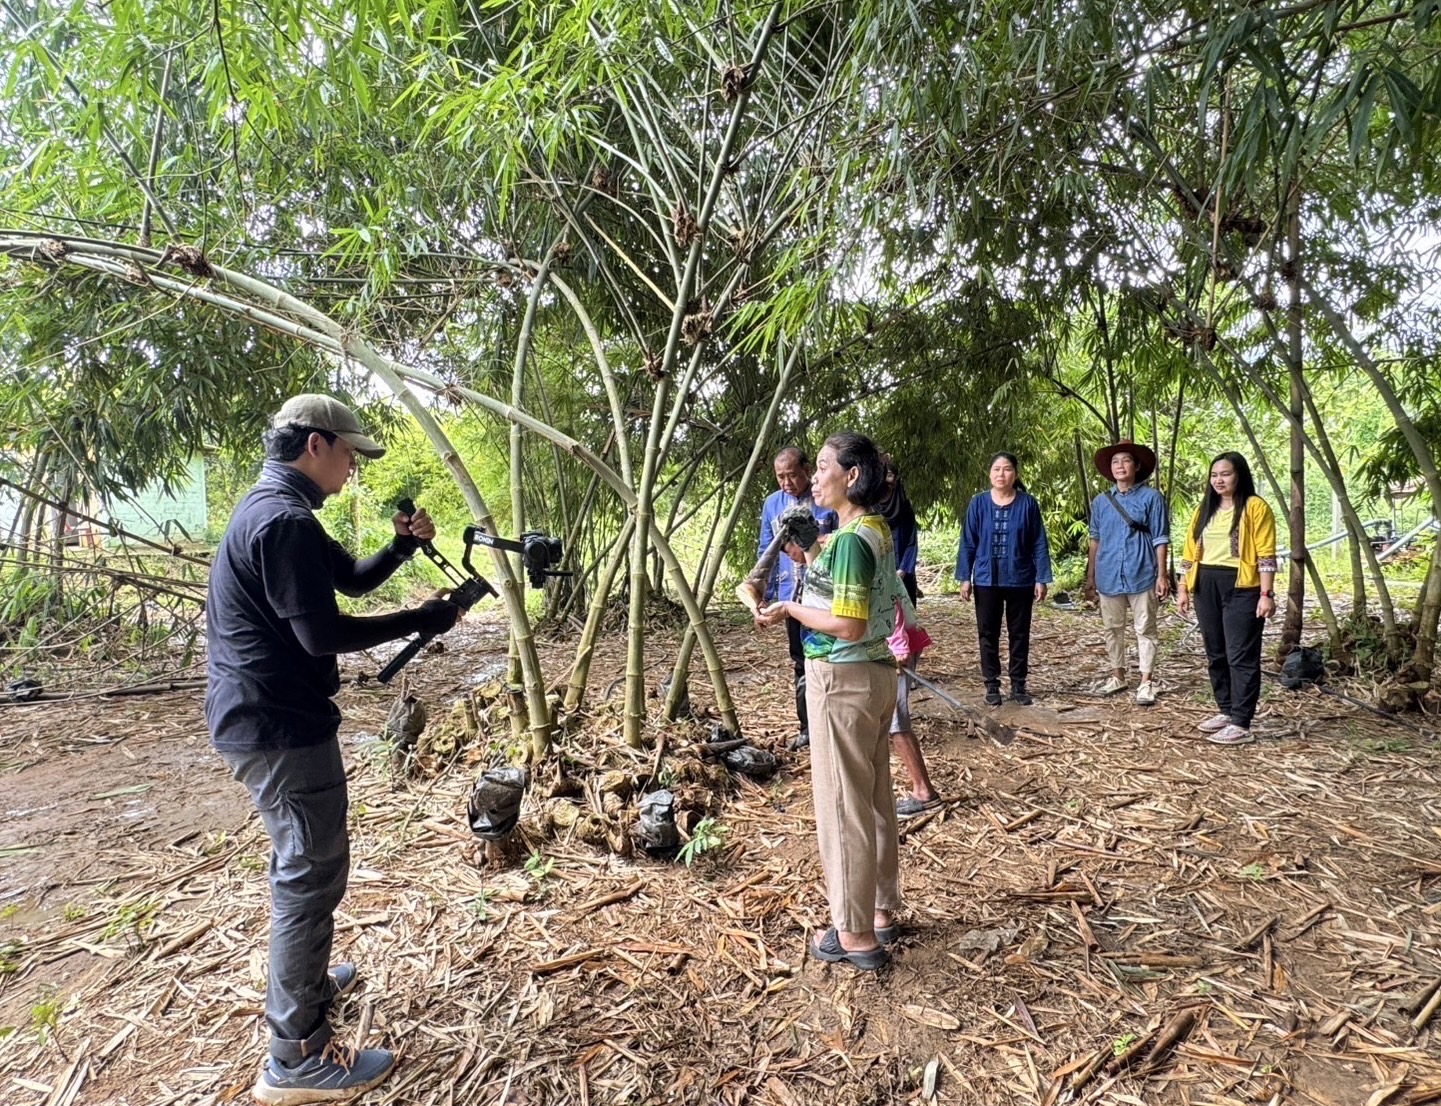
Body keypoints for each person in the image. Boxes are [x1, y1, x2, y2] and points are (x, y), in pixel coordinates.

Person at [206, 394, 463, 1104]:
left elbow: (350, 578)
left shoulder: (279, 510)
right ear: (316, 445)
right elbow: (321, 635)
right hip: (275, 724)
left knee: (308, 864)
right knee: (308, 875)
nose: (353, 468)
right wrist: (421, 617)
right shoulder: (282, 520)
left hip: (270, 717)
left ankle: (309, 989)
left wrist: (404, 548)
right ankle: (294, 1056)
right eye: (349, 454)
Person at [757, 432, 902, 971]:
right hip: (875, 676)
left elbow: (847, 621)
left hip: (841, 681)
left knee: (842, 805)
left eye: (821, 468)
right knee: (874, 798)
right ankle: (881, 911)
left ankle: (854, 932)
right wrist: (808, 552)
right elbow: (849, 585)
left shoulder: (850, 539)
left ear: (852, 477)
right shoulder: (871, 530)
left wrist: (788, 611)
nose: (813, 478)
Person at [1176, 452, 1278, 746]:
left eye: (1226, 474)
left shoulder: (1255, 507)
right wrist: (1183, 587)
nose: (1219, 480)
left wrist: (1266, 594)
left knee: (1240, 654)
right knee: (1216, 652)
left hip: (1242, 586)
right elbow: (1189, 551)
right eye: (1214, 475)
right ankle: (1225, 709)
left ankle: (1242, 721)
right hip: (1205, 582)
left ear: (1239, 475)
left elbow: (1266, 553)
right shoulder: (1204, 509)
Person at [954, 452, 1052, 706]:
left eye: (1007, 469)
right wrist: (965, 577)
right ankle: (992, 684)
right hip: (987, 580)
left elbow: (1039, 543)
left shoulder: (1028, 504)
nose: (1001, 474)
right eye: (996, 469)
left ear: (1015, 475)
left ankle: (1019, 684)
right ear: (989, 474)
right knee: (988, 632)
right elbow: (968, 542)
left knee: (1019, 633)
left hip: (1021, 578)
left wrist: (1042, 578)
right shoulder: (978, 504)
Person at [757, 446, 838, 750]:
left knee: (829, 659)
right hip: (792, 596)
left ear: (806, 469)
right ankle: (808, 728)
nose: (786, 482)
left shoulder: (826, 499)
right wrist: (762, 596)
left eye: (792, 474)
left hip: (826, 597)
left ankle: (831, 721)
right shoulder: (772, 505)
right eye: (780, 476)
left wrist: (813, 545)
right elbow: (765, 552)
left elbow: (842, 541)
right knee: (801, 662)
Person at [876, 454, 940, 817]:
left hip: (897, 636)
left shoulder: (876, 536)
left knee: (897, 715)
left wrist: (899, 646)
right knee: (889, 714)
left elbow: (895, 601)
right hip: (893, 635)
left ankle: (923, 790)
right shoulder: (867, 528)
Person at [1084, 442, 1171, 706]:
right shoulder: (1100, 502)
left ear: (1137, 466)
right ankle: (1117, 675)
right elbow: (1094, 540)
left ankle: (1146, 682)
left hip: (1141, 570)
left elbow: (1160, 538)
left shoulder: (1152, 498)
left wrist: (1162, 574)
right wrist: (1091, 576)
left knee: (1145, 628)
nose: (1120, 466)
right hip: (1109, 572)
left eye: (1125, 461)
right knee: (1112, 628)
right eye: (1115, 462)